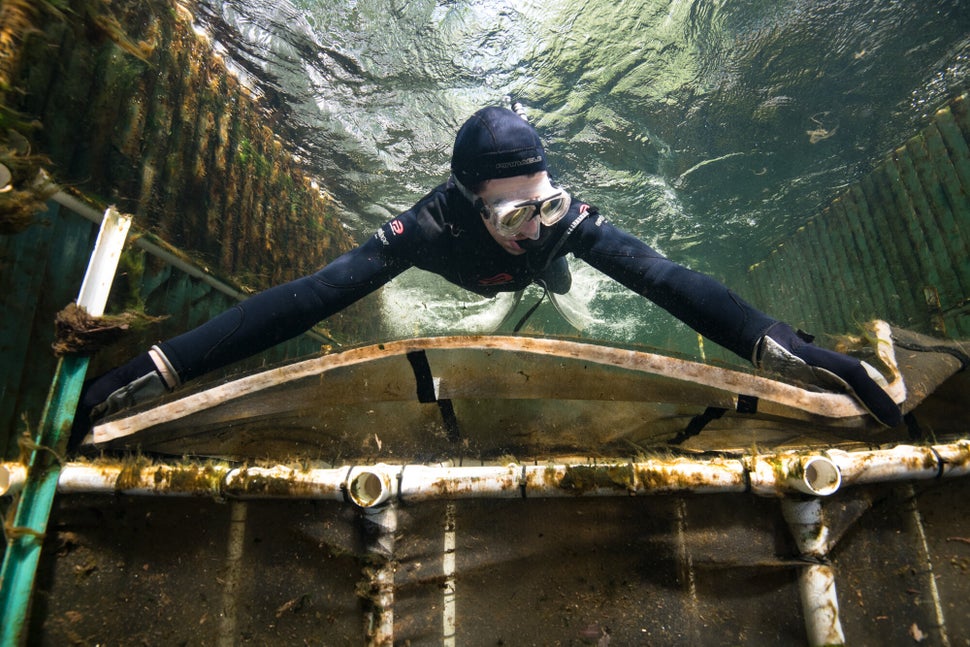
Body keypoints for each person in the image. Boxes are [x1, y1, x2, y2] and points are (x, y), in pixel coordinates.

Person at [72, 106, 902, 448]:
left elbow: (663, 274)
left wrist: (778, 344)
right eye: (509, 217)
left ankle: (557, 283)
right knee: (514, 271)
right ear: (470, 204)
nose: (529, 226)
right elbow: (308, 297)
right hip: (472, 282)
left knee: (567, 267)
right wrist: (163, 365)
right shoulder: (427, 227)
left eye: (541, 204)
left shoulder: (555, 220)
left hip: (543, 276)